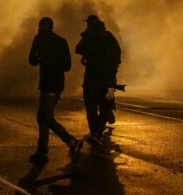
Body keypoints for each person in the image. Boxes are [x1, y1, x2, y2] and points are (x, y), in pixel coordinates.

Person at [28, 17, 83, 164]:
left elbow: (32, 61)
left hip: (48, 83)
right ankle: (42, 151)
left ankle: (71, 141)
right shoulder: (61, 41)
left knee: (46, 117)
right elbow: (67, 66)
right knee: (42, 117)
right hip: (56, 83)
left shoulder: (39, 40)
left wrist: (42, 58)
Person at [74, 15, 122, 145]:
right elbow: (117, 56)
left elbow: (78, 49)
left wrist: (87, 54)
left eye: (89, 23)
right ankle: (97, 132)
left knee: (91, 108)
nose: (87, 26)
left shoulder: (90, 37)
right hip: (106, 79)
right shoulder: (108, 36)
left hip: (93, 78)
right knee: (105, 107)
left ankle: (95, 132)